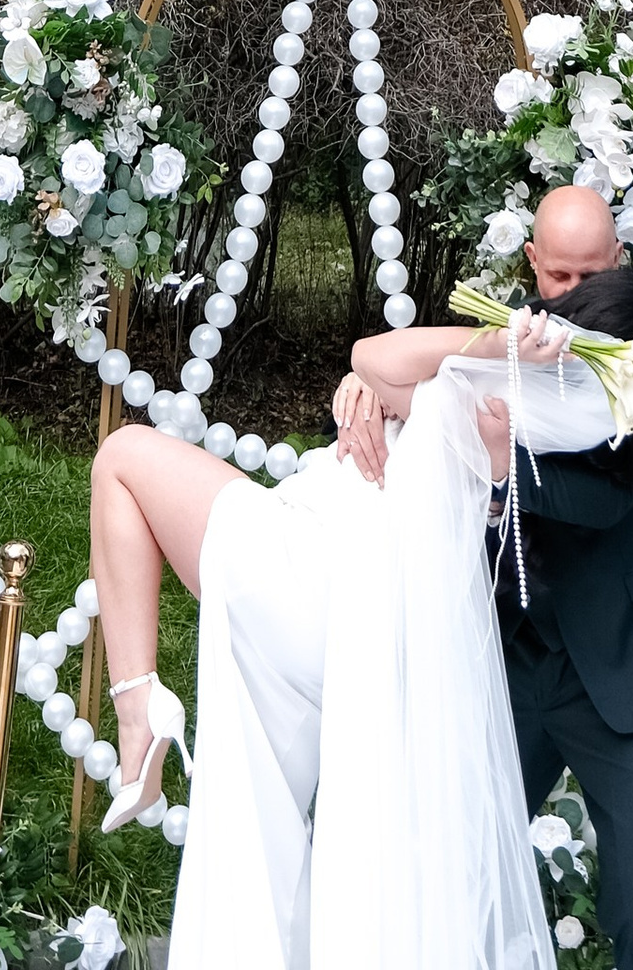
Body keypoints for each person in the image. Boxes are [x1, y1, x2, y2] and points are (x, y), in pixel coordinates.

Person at [88, 296, 578, 970]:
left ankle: (138, 717)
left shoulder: (508, 382)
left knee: (121, 457)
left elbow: (371, 355)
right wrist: (372, 393)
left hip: (314, 570)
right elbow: (374, 372)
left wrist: (495, 344)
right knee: (268, 827)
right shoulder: (536, 402)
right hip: (360, 641)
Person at [335, 185, 633, 970]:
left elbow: (612, 500)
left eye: (591, 276)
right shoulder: (502, 332)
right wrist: (364, 391)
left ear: (620, 260)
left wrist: (507, 465)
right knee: (460, 867)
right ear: (532, 262)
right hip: (508, 651)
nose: (572, 296)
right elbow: (418, 388)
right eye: (558, 278)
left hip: (622, 655)